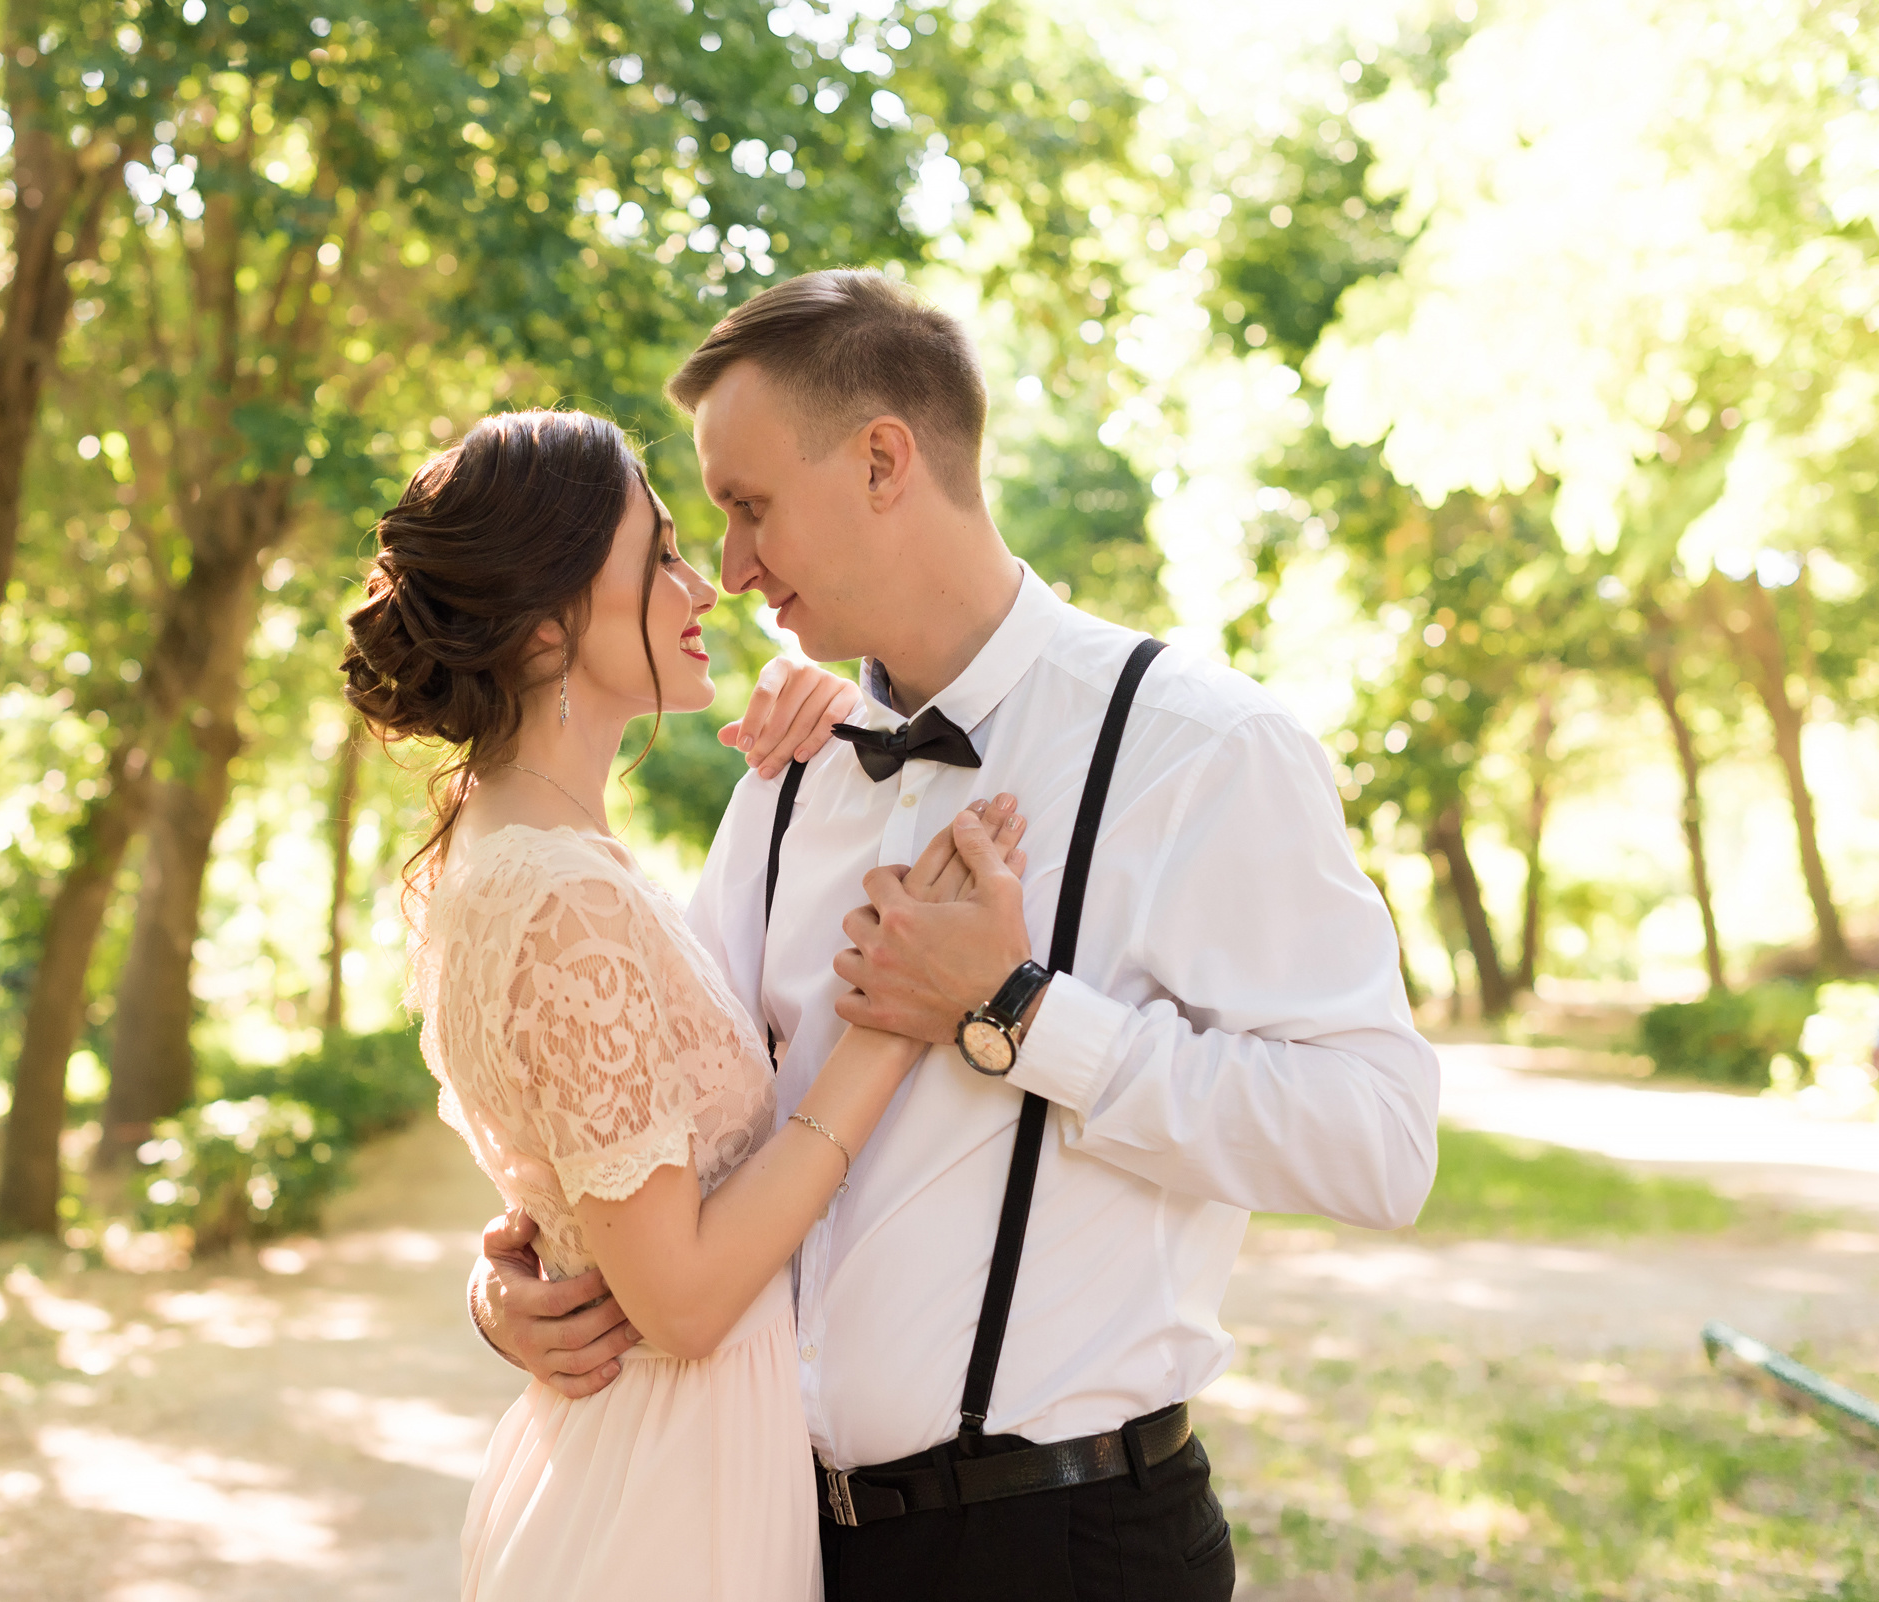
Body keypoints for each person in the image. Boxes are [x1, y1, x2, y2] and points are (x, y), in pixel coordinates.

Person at [474, 270, 1443, 1600]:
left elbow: (1380, 1142)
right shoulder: (788, 772)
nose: (732, 567)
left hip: (1069, 1545)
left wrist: (1023, 1013)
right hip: (773, 1537)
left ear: (884, 460)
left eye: (749, 507)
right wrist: (517, 1296)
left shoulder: (1205, 751)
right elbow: (665, 1135)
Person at [340, 407, 1034, 1600]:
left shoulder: (533, 860)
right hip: (663, 1506)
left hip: (664, 1469)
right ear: (552, 620)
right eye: (658, 555)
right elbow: (686, 1298)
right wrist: (898, 1014)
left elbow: (600, 1185)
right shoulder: (560, 898)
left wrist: (812, 754)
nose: (702, 582)